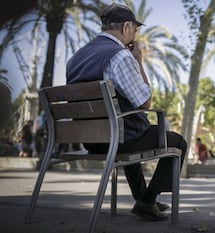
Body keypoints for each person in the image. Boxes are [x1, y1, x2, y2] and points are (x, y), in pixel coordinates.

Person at [65, 3, 187, 221]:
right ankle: (148, 201)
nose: (135, 35)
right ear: (126, 27)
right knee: (176, 142)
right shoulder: (120, 56)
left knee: (127, 133)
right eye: (135, 30)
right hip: (117, 138)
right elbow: (145, 102)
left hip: (90, 140)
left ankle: (142, 198)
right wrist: (138, 61)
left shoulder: (75, 59)